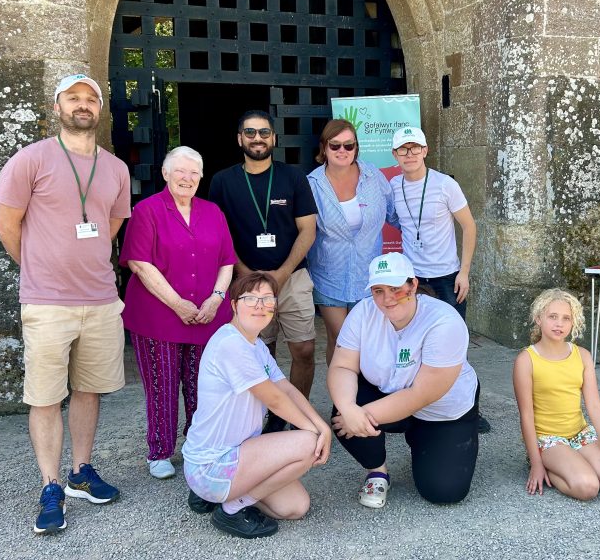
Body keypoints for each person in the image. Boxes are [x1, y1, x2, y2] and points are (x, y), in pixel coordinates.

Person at [0, 74, 130, 534]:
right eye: (73, 98)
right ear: (58, 106)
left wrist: (80, 259)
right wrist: (38, 265)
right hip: (47, 302)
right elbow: (7, 224)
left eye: (91, 98)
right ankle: (50, 484)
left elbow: (112, 223)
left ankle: (80, 472)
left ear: (100, 108)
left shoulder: (115, 168)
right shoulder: (30, 160)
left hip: (100, 299)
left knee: (89, 390)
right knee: (47, 397)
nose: (83, 105)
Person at [182, 271, 331, 539]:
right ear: (234, 305)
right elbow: (273, 398)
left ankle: (221, 496)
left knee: (296, 507)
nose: (260, 306)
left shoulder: (256, 345)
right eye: (250, 298)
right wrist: (314, 435)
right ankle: (231, 508)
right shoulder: (231, 344)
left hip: (239, 454)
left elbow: (285, 387)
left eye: (267, 299)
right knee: (308, 445)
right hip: (213, 464)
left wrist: (322, 428)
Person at [119, 146, 237, 480]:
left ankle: (199, 445)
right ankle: (159, 451)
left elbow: (227, 261)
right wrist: (178, 304)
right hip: (159, 316)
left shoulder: (213, 211)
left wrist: (216, 298)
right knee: (163, 386)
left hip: (207, 315)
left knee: (205, 386)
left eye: (194, 172)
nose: (187, 178)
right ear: (166, 174)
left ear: (201, 177)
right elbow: (141, 264)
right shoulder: (147, 210)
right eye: (180, 171)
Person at [327, 252, 480, 508]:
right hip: (389, 392)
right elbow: (342, 365)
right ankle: (378, 471)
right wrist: (348, 408)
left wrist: (358, 416)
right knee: (344, 407)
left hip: (440, 408)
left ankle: (428, 439)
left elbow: (421, 394)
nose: (387, 299)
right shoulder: (363, 312)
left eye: (396, 288)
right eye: (378, 290)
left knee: (444, 491)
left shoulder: (444, 321)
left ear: (413, 285)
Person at [208, 110, 318, 433]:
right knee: (259, 350)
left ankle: (296, 415)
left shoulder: (293, 177)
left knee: (305, 348)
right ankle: (266, 416)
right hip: (247, 281)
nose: (258, 138)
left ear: (274, 138)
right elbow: (220, 234)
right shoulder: (222, 181)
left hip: (292, 277)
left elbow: (308, 230)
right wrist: (247, 276)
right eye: (251, 132)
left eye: (265, 132)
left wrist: (281, 275)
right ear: (239, 138)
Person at [388, 126, 490, 433]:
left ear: (425, 150)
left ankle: (470, 409)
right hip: (412, 279)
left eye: (414, 148)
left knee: (454, 345)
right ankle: (416, 407)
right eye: (403, 150)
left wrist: (465, 271)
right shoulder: (393, 185)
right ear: (395, 155)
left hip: (447, 278)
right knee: (411, 344)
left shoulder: (445, 184)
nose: (409, 154)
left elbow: (469, 227)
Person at [512, 289, 600, 500]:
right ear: (539, 319)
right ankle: (549, 465)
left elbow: (594, 405)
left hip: (579, 433)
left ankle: (573, 461)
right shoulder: (526, 360)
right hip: (548, 439)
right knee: (588, 487)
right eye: (552, 317)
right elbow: (526, 415)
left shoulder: (582, 356)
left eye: (566, 318)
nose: (559, 324)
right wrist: (536, 463)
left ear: (573, 323)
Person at [306, 119, 397, 369]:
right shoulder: (312, 185)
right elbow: (303, 230)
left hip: (368, 276)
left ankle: (362, 397)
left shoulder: (373, 176)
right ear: (324, 147)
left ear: (356, 147)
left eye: (349, 145)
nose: (342, 151)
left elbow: (395, 214)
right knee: (340, 339)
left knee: (367, 340)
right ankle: (341, 400)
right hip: (329, 275)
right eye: (335, 145)